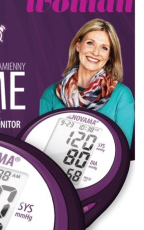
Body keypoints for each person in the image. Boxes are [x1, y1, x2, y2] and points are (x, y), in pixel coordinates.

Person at [39, 18, 134, 146]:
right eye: (90, 43)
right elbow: (42, 146)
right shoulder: (51, 94)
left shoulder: (122, 95)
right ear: (78, 46)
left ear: (109, 56)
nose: (95, 52)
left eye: (104, 48)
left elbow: (122, 150)